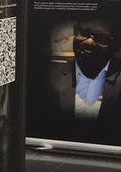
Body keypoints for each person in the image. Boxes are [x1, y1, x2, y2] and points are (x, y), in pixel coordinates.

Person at [43, 16, 121, 144]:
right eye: (83, 33)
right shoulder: (51, 76)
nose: (88, 42)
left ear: (116, 45)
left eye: (100, 38)